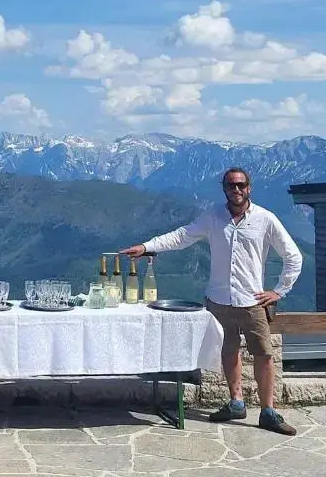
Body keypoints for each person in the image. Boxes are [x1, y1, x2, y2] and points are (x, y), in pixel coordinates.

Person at [120, 167, 302, 435]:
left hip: (252, 300)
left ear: (249, 188)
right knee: (228, 351)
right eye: (231, 185)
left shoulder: (266, 219)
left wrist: (278, 291)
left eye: (241, 185)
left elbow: (293, 256)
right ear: (224, 188)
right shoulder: (213, 217)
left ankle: (268, 411)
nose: (236, 190)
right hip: (218, 299)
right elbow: (183, 236)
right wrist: (148, 247)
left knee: (263, 354)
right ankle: (236, 402)